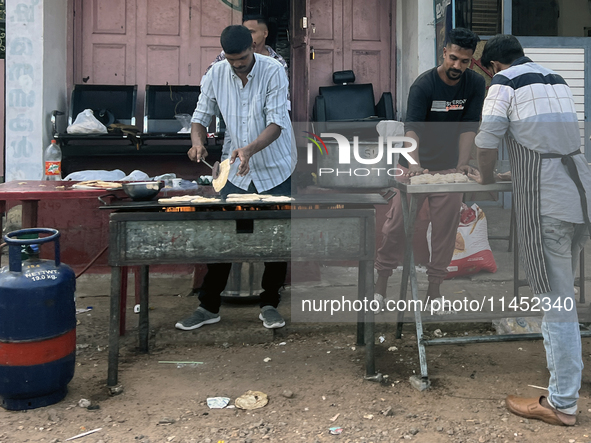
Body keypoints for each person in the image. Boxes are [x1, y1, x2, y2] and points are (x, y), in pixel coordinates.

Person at [470, 34, 591, 426]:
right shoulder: (555, 78)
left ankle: (562, 403)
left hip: (548, 200)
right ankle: (565, 388)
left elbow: (487, 143)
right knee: (566, 295)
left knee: (557, 303)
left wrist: (485, 178)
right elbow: (548, 140)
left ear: (492, 67)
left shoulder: (503, 84)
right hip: (578, 192)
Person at [176, 25, 296, 331]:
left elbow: (277, 122)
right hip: (236, 169)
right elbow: (200, 117)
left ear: (252, 48)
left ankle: (269, 303)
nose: (238, 65)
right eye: (232, 60)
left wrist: (251, 150)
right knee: (224, 237)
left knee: (276, 239)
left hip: (275, 165)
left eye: (242, 58)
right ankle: (208, 306)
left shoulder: (274, 71)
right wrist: (197, 141)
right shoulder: (216, 73)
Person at [373, 28, 485, 308]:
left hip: (448, 168)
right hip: (413, 166)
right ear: (443, 53)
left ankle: (434, 289)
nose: (457, 66)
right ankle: (382, 280)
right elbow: (412, 129)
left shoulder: (474, 84)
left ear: (472, 61)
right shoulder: (423, 85)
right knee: (396, 226)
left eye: (465, 61)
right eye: (453, 58)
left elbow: (469, 127)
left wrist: (462, 165)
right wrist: (415, 165)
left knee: (445, 229)